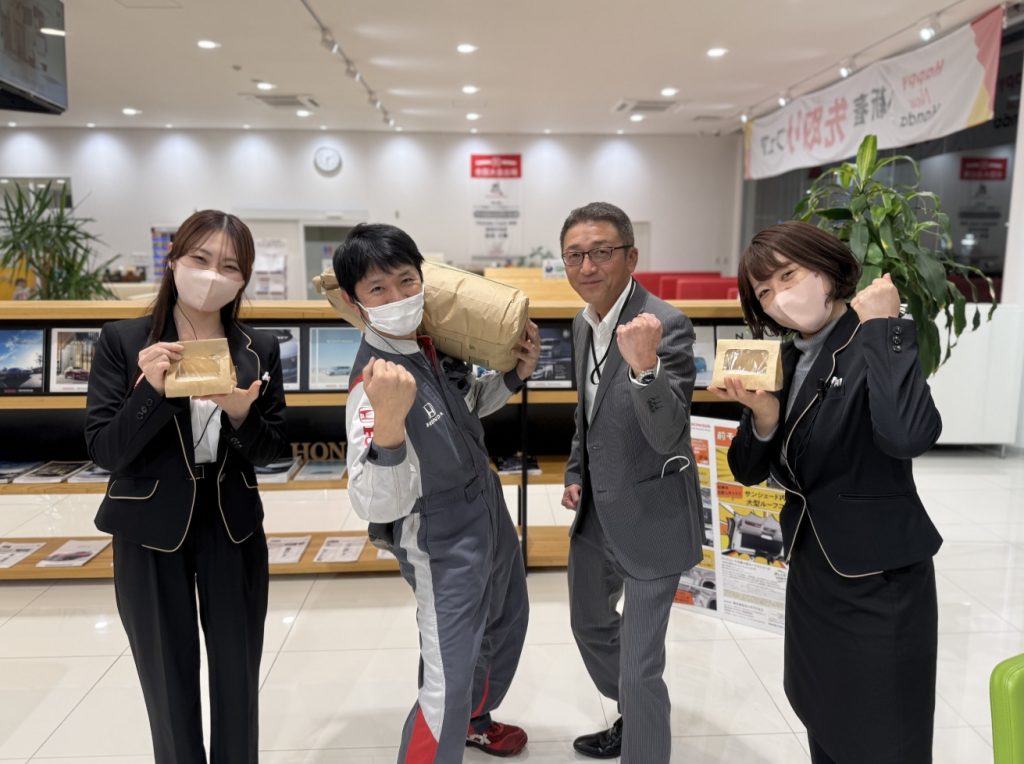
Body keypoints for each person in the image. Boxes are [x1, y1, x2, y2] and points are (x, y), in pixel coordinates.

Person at [711, 220, 942, 764]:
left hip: (878, 579)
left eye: (787, 276)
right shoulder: (788, 358)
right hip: (814, 569)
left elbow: (908, 435)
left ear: (825, 269)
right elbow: (746, 469)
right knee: (826, 720)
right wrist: (764, 417)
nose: (778, 298)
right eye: (764, 292)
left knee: (884, 735)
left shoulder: (874, 338)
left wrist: (883, 325)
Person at [85, 210, 289, 763]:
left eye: (230, 266)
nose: (212, 274)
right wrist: (149, 392)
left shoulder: (258, 347)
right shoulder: (124, 341)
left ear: (243, 279)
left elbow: (274, 449)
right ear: (173, 260)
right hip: (149, 527)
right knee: (166, 679)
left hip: (232, 525)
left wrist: (242, 415)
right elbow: (106, 450)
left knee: (237, 676)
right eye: (200, 258)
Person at [335, 223, 539, 762]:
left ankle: (476, 721)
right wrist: (388, 424)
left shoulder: (429, 345)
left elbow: (461, 410)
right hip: (439, 534)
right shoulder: (371, 383)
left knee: (505, 623)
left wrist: (514, 376)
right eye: (378, 289)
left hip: (486, 507)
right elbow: (372, 503)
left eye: (407, 280)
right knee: (447, 678)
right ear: (355, 301)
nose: (398, 297)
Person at [558, 202, 703, 763]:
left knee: (642, 666)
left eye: (601, 252)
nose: (587, 266)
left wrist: (645, 367)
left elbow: (670, 433)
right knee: (589, 623)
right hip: (597, 506)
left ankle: (643, 739)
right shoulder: (582, 323)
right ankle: (632, 713)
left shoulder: (666, 324)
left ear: (630, 256)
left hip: (652, 511)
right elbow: (587, 411)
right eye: (574, 255)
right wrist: (576, 471)